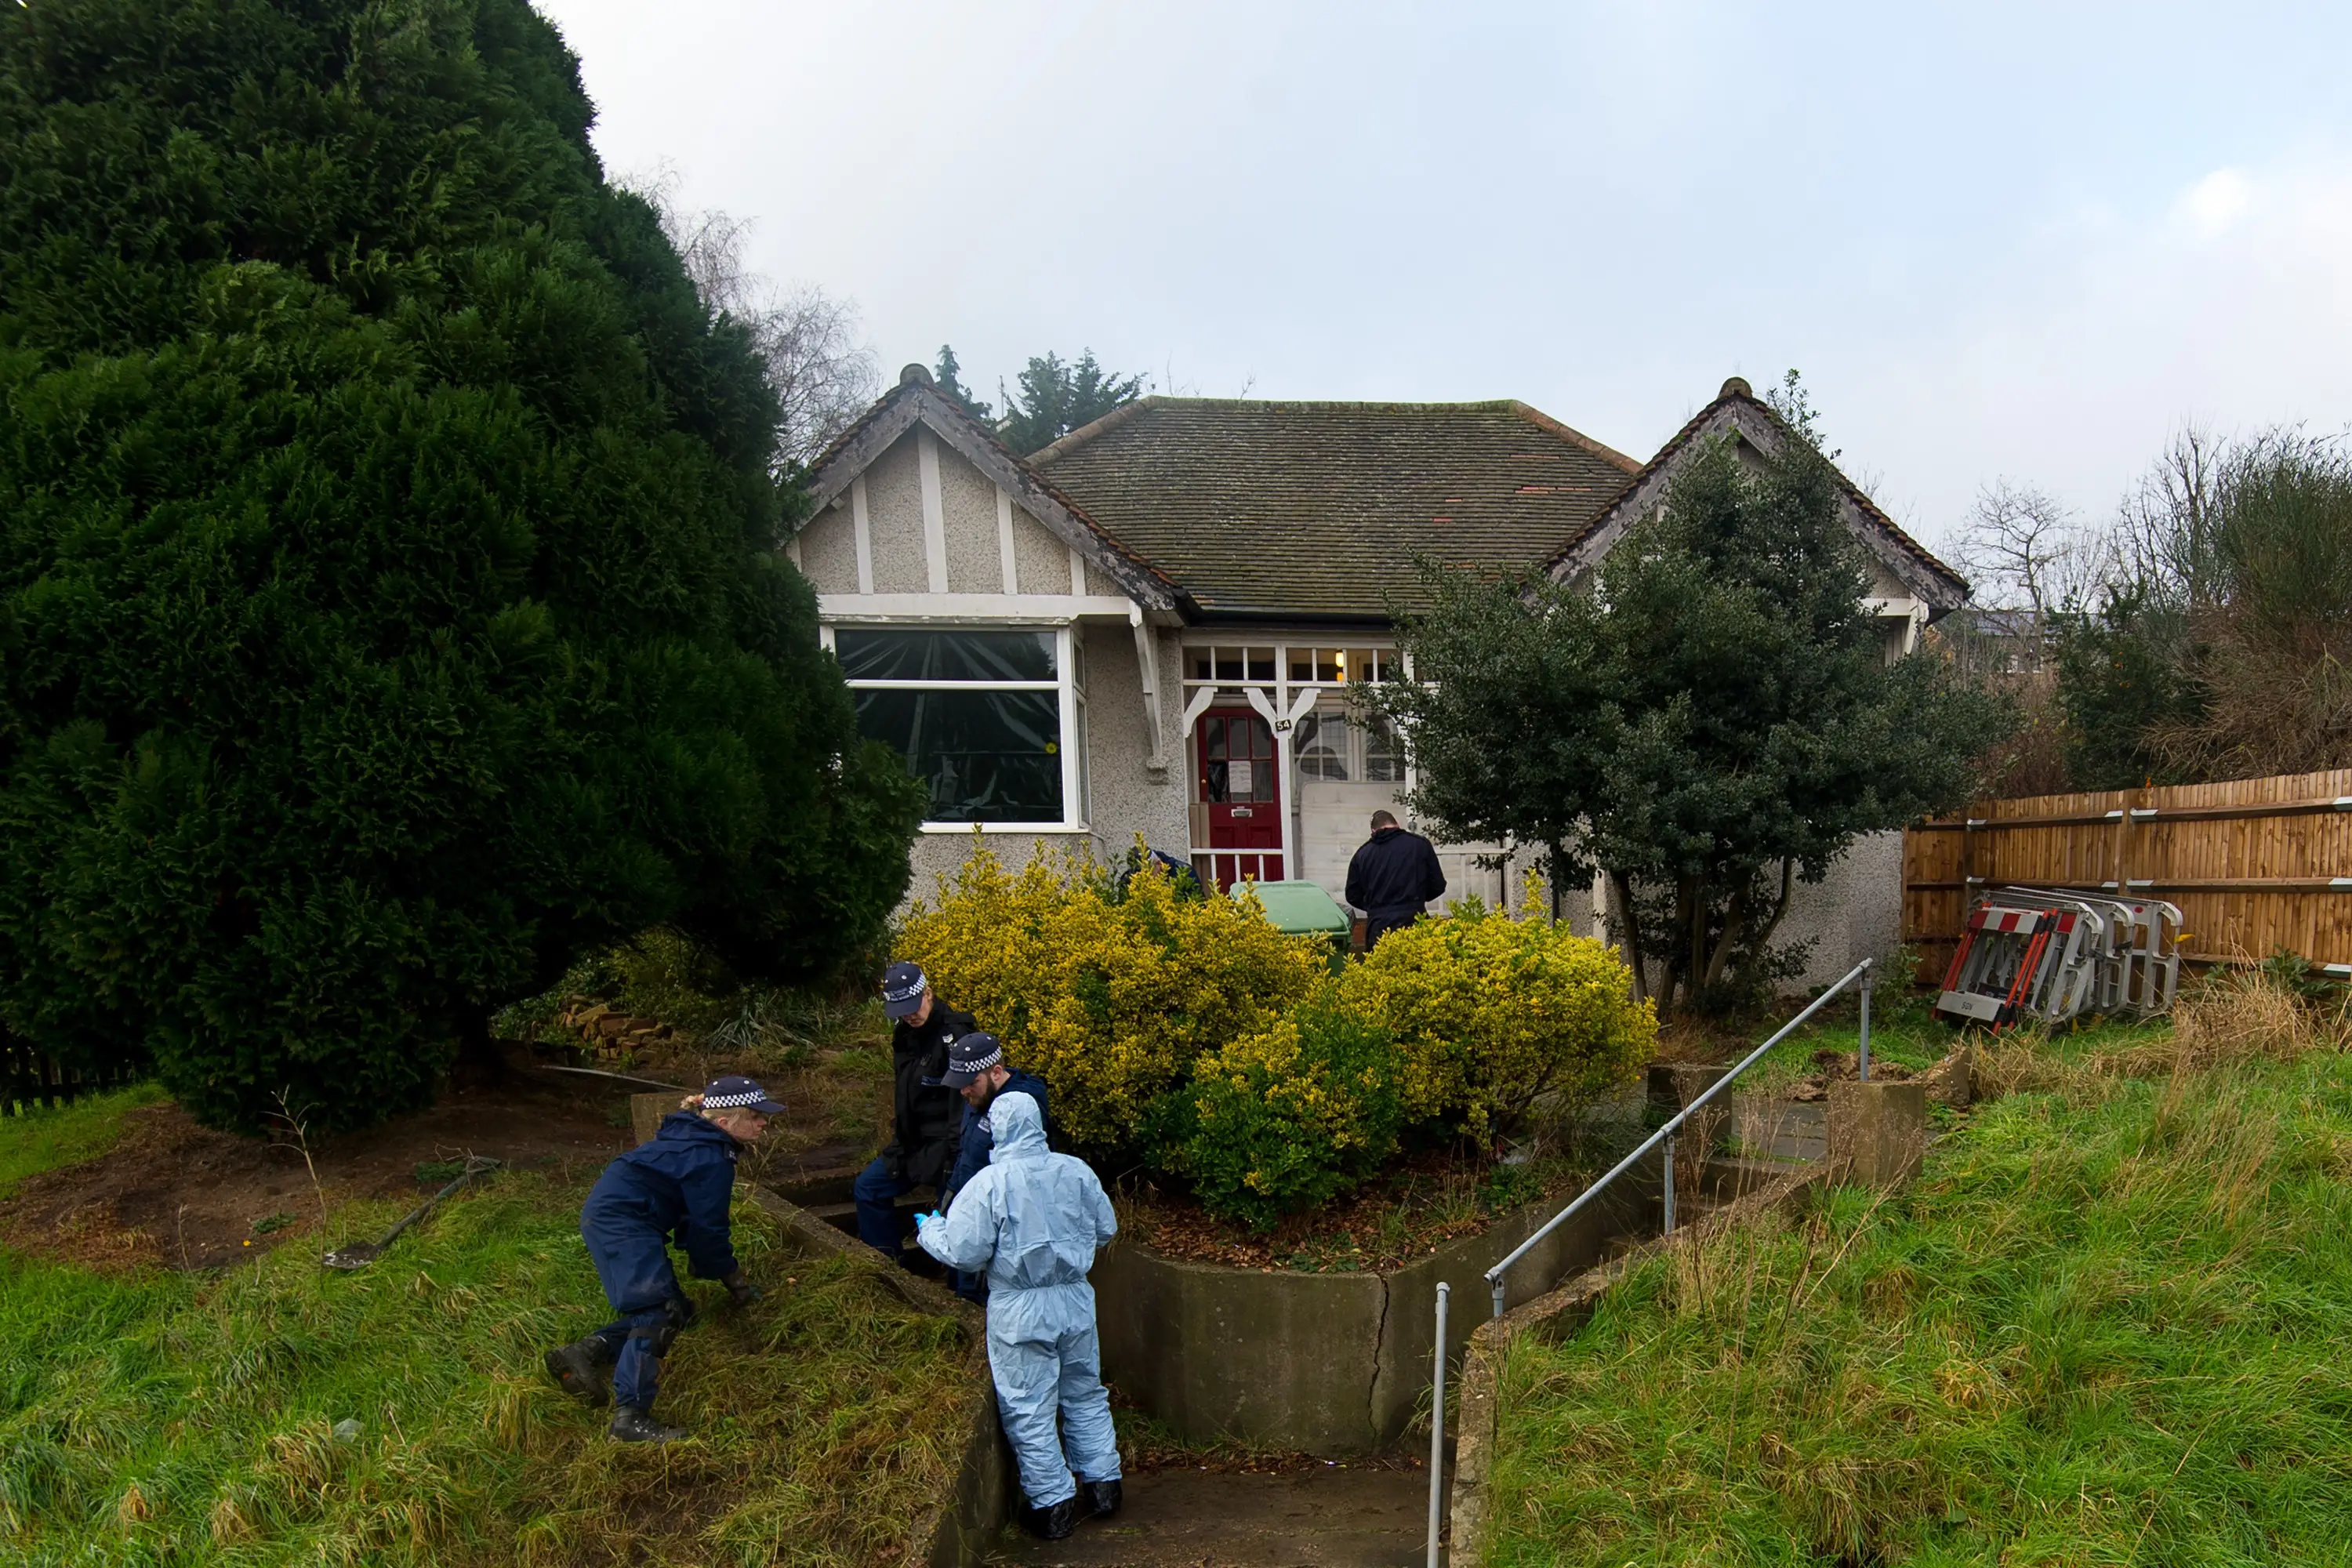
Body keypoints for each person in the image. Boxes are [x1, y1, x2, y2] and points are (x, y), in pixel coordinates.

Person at [915, 1092, 1120, 1541]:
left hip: (1020, 1306)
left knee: (1030, 1407)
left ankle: (1053, 1506)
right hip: (1074, 1300)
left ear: (999, 1128)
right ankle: (1105, 1486)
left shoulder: (990, 1183)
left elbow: (965, 1253)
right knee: (1084, 1392)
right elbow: (1107, 1228)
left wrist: (930, 1229)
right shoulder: (1075, 1171)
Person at [543, 1074, 779, 1443]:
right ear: (724, 1122)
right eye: (755, 1116)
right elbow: (708, 1230)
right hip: (624, 1222)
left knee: (677, 1310)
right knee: (656, 1314)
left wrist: (712, 1266)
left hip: (616, 1214)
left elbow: (689, 1213)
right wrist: (734, 1280)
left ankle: (586, 1352)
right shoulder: (710, 1158)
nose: (764, 1122)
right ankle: (630, 1418)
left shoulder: (693, 1136)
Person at [854, 960, 975, 1261]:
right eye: (902, 1010)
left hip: (948, 1145)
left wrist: (954, 1159)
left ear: (928, 993)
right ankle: (888, 1267)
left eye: (914, 1005)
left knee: (953, 1215)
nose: (910, 1015)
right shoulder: (904, 1034)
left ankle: (957, 1292)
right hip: (911, 1141)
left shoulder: (955, 1035)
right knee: (868, 1188)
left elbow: (963, 1104)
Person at [936, 1031, 1051, 1301]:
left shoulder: (1021, 1108)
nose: (964, 1091)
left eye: (970, 1083)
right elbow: (968, 1152)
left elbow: (1025, 1178)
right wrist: (949, 1202)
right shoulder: (979, 1097)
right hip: (967, 1210)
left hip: (996, 1227)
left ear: (996, 1072)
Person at [1345, 808, 1448, 949]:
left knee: (1380, 969)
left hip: (1378, 926)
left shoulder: (1362, 855)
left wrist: (1374, 906)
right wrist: (1417, 899)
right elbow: (1438, 886)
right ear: (1397, 824)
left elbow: (1352, 895)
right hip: (1414, 920)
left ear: (1374, 831)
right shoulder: (1420, 845)